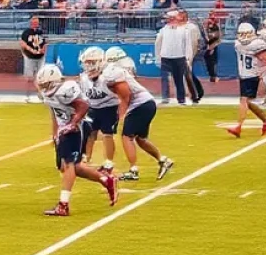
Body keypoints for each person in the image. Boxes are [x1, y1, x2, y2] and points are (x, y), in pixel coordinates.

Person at [35, 65, 118, 216]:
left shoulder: (65, 89)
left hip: (78, 126)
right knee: (72, 167)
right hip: (65, 127)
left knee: (69, 165)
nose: (43, 88)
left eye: (45, 84)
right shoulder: (48, 94)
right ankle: (106, 180)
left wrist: (73, 123)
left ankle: (63, 205)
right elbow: (54, 112)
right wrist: (55, 133)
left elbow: (84, 106)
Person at [100, 48, 173, 183]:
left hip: (140, 104)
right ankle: (163, 160)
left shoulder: (113, 73)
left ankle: (133, 170)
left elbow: (126, 97)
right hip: (146, 103)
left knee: (127, 137)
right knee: (141, 139)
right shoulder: (117, 69)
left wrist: (120, 117)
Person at [228, 23, 266, 139]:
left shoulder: (256, 44)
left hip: (251, 76)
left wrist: (261, 72)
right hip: (244, 75)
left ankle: (238, 127)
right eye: (242, 34)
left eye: (245, 34)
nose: (244, 36)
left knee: (243, 100)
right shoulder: (239, 44)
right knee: (247, 102)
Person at [78, 46, 118, 172]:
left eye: (92, 62)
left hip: (109, 107)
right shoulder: (84, 77)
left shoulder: (108, 76)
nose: (89, 65)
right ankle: (86, 157)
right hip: (93, 107)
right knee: (90, 133)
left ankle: (109, 161)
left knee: (107, 133)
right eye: (87, 62)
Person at [154, 11, 190, 105]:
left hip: (179, 57)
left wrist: (188, 58)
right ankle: (165, 97)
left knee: (178, 79)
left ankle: (181, 99)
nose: (168, 20)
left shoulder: (184, 30)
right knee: (165, 78)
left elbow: (187, 45)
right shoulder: (163, 30)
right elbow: (158, 44)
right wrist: (158, 58)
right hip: (166, 57)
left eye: (170, 18)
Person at [20, 16, 46, 101]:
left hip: (40, 57)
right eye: (35, 23)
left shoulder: (40, 32)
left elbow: (45, 43)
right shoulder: (26, 32)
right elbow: (22, 43)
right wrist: (31, 50)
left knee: (40, 77)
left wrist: (43, 50)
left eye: (37, 23)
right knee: (29, 78)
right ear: (31, 23)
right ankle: (27, 95)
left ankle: (40, 93)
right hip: (30, 57)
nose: (36, 24)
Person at [203, 14, 222, 83]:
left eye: (212, 19)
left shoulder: (215, 27)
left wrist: (212, 48)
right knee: (208, 60)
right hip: (209, 46)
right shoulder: (208, 27)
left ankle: (213, 76)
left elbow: (216, 38)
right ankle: (212, 76)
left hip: (212, 46)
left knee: (212, 62)